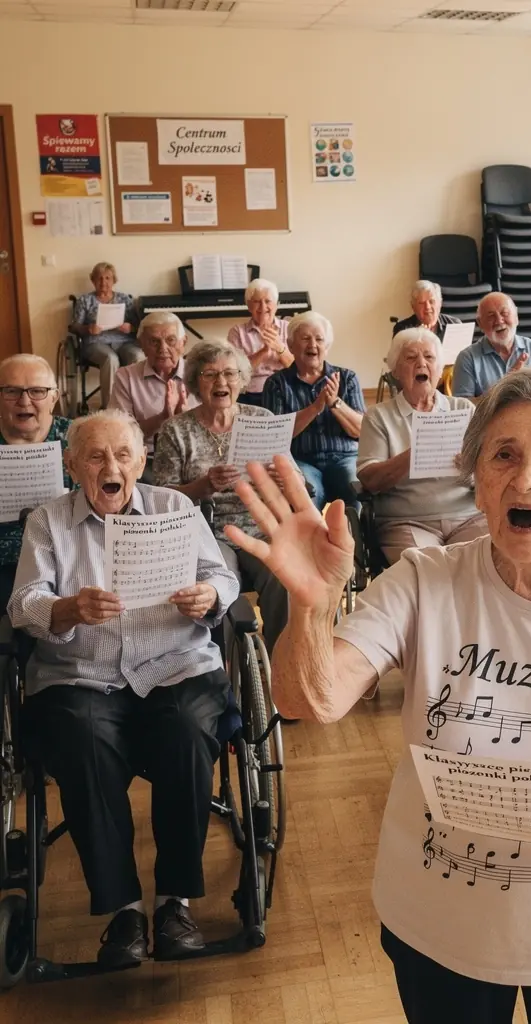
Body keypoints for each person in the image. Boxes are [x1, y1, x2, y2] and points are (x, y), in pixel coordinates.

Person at [227, 368, 531, 1024]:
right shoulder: (422, 581)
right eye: (504, 455)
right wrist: (311, 609)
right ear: (478, 481)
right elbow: (310, 701)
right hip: (442, 924)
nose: (524, 479)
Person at [9, 410, 239, 967]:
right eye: (95, 456)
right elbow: (23, 603)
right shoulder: (48, 521)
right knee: (83, 736)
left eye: (122, 455)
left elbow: (223, 575)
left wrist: (210, 595)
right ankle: (124, 911)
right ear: (71, 465)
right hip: (81, 675)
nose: (110, 466)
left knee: (186, 728)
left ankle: (175, 903)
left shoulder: (174, 508)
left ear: (141, 462)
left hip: (175, 665)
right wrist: (67, 608)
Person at [153, 340, 290, 653]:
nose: (221, 382)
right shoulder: (176, 430)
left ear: (242, 380)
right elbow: (162, 499)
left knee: (283, 577)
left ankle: (283, 659)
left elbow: (297, 481)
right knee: (217, 584)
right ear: (195, 382)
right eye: (210, 374)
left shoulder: (261, 419)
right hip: (207, 532)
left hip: (259, 527)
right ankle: (222, 664)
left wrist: (283, 479)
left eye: (230, 373)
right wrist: (203, 486)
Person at [357, 328, 488, 565]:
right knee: (426, 569)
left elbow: (490, 469)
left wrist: (472, 467)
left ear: (440, 369)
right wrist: (416, 452)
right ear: (395, 371)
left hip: (468, 516)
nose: (421, 363)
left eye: (429, 357)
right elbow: (370, 480)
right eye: (410, 358)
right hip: (408, 521)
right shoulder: (379, 417)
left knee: (488, 560)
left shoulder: (463, 410)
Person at [263, 311, 364, 509]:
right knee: (303, 494)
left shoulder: (347, 378)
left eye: (319, 339)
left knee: (355, 487)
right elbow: (276, 437)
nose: (313, 345)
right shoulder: (276, 383)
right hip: (301, 460)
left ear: (327, 346)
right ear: (291, 345)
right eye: (305, 338)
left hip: (344, 458)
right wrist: (315, 407)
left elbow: (361, 430)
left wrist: (335, 403)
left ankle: (355, 531)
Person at [0, 355, 72, 609]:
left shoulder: (79, 438)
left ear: (54, 398)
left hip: (66, 559)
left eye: (37, 391)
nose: (24, 401)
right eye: (11, 391)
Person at [108, 310, 198, 461]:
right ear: (142, 345)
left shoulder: (201, 373)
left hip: (195, 455)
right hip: (147, 458)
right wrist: (162, 418)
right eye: (154, 341)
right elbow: (120, 434)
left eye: (171, 340)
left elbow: (217, 426)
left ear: (183, 343)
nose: (163, 348)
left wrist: (186, 420)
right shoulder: (126, 377)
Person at [70, 262, 144, 408]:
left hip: (124, 342)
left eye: (107, 278)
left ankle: (135, 404)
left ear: (114, 280)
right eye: (99, 278)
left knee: (138, 356)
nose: (103, 282)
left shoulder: (125, 299)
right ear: (93, 280)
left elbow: (138, 325)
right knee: (111, 359)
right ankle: (110, 407)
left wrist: (131, 327)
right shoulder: (85, 300)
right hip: (96, 342)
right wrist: (88, 328)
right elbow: (74, 326)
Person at [452, 293, 531, 398]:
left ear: (516, 316)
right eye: (491, 316)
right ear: (480, 323)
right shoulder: (467, 358)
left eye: (504, 313)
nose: (499, 321)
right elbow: (463, 405)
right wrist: (506, 385)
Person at [225, 278, 294, 407]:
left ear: (276, 305)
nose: (263, 307)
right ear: (249, 306)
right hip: (250, 393)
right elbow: (236, 373)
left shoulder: (289, 328)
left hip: (284, 390)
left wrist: (280, 349)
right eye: (257, 302)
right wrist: (263, 352)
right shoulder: (237, 332)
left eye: (268, 301)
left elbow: (298, 368)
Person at [392, 280, 461, 338]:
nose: (427, 307)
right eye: (421, 303)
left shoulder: (455, 325)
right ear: (413, 307)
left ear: (440, 303)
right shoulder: (403, 330)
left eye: (431, 301)